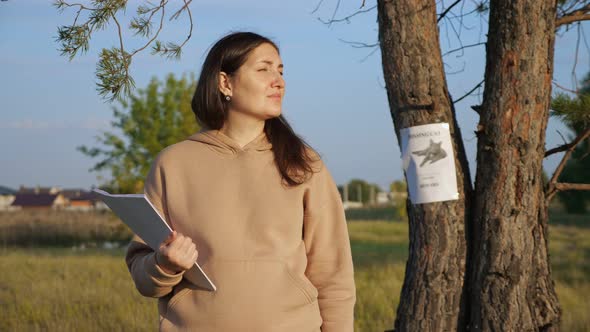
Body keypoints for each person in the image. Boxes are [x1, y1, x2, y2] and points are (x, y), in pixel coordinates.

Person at [125, 31, 356, 332]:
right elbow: (144, 279)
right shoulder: (172, 164)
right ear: (225, 83)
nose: (279, 81)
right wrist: (166, 264)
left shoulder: (304, 164)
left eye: (281, 71)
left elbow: (334, 277)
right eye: (264, 69)